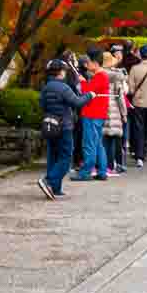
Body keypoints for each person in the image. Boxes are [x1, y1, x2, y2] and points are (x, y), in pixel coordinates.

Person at [40, 60, 91, 200]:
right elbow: (77, 102)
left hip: (50, 125)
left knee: (53, 157)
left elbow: (43, 105)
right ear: (60, 71)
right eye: (64, 70)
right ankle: (48, 181)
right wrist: (90, 96)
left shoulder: (46, 87)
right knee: (66, 157)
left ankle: (55, 189)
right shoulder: (63, 87)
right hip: (64, 126)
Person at [73, 49, 113, 182]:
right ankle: (102, 171)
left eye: (88, 62)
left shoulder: (100, 76)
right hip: (98, 114)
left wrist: (83, 81)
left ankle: (85, 172)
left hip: (92, 114)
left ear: (95, 63)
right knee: (97, 144)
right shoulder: (101, 76)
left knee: (89, 144)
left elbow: (87, 93)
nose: (87, 65)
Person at [103, 48, 129, 175]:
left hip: (102, 109)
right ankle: (115, 164)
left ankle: (105, 165)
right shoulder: (116, 76)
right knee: (116, 139)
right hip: (114, 109)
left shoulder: (97, 74)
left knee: (104, 139)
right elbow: (120, 97)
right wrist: (124, 114)